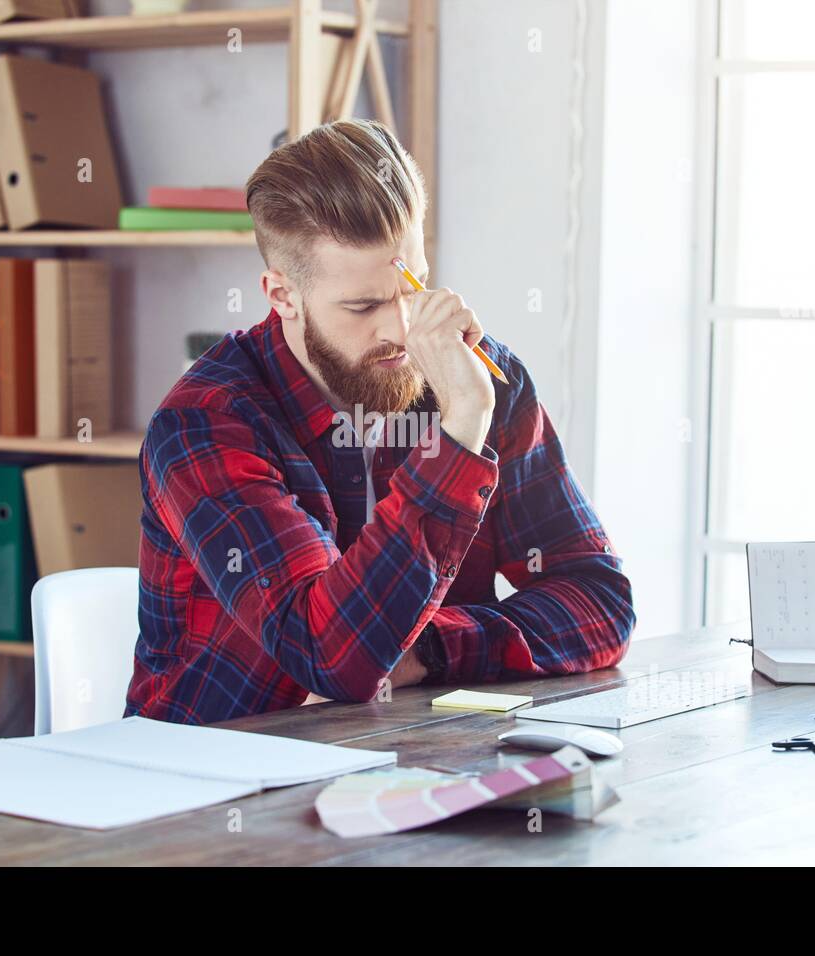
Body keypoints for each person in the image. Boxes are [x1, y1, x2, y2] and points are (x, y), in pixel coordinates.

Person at [126, 119, 635, 724]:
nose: (399, 329)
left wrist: (430, 650)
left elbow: (601, 604)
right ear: (282, 295)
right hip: (210, 780)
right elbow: (334, 657)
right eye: (363, 306)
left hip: (414, 754)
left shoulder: (479, 377)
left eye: (411, 288)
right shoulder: (205, 425)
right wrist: (459, 434)